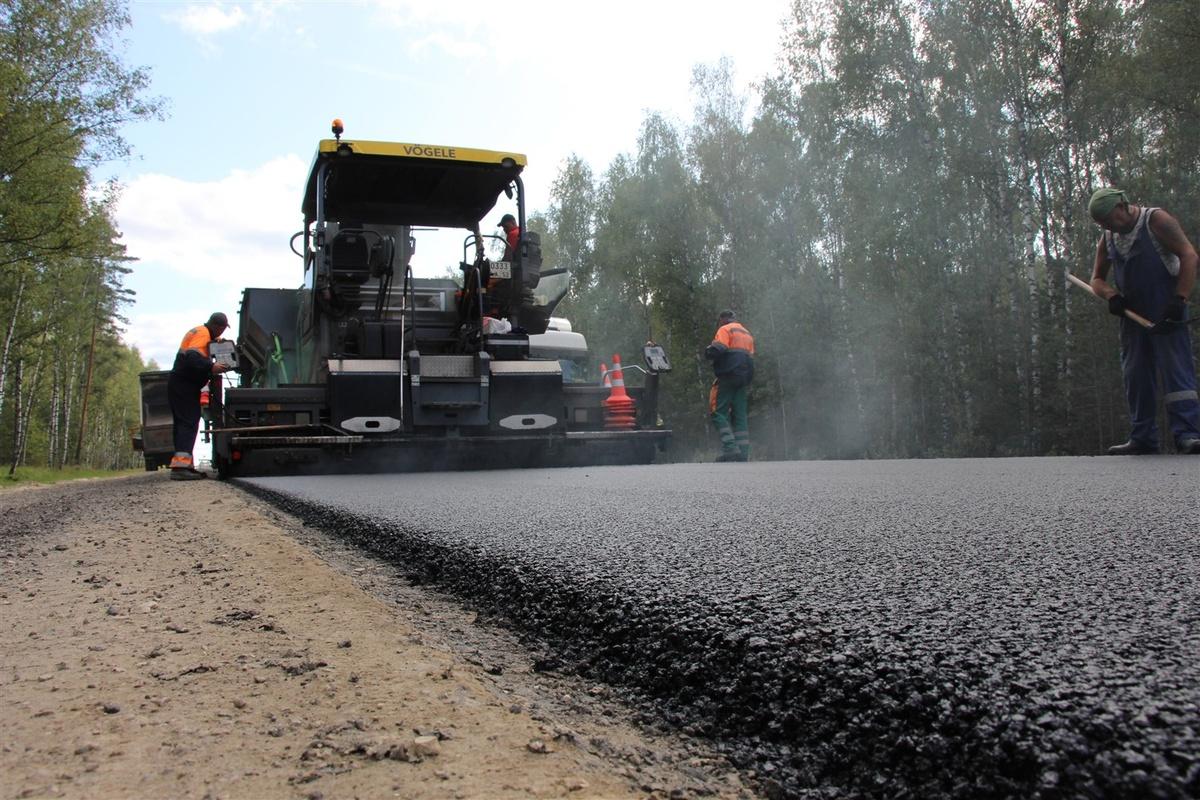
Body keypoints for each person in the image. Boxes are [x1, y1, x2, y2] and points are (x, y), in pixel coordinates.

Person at [1087, 187, 1200, 455]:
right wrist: (1112, 295)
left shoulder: (1156, 221)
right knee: (1136, 374)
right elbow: (1096, 279)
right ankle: (1143, 437)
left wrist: (1180, 298)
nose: (1107, 227)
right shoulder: (1108, 237)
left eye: (1108, 220)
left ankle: (1188, 434)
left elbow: (1189, 255)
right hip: (1132, 315)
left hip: (1167, 310)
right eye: (1101, 224)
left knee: (1176, 370)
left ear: (1122, 207)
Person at [167, 312, 231, 480]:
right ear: (218, 326)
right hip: (184, 385)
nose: (222, 333)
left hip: (181, 384)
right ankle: (180, 469)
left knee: (184, 422)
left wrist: (216, 346)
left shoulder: (201, 333)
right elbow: (192, 358)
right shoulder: (203, 334)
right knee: (188, 422)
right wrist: (212, 367)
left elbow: (196, 352)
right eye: (223, 330)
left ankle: (184, 465)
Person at [705, 310, 755, 462]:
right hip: (743, 378)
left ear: (722, 319)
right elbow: (750, 357)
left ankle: (730, 448)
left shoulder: (725, 329)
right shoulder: (746, 333)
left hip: (727, 376)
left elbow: (719, 348)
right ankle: (743, 452)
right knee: (739, 415)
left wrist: (708, 351)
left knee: (717, 412)